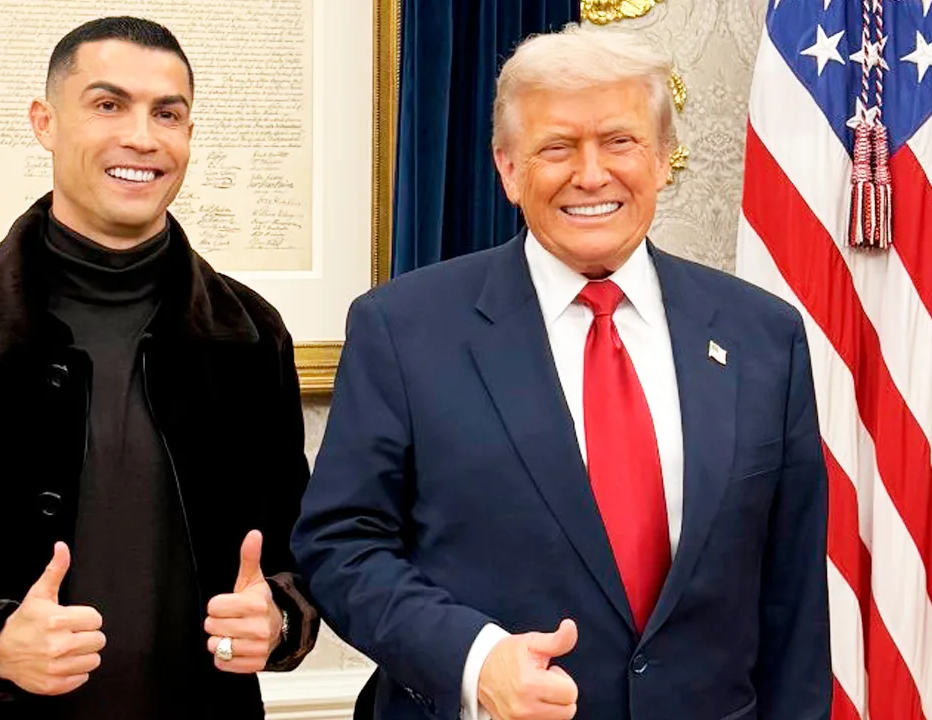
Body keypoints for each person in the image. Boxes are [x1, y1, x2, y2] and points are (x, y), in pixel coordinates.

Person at [292, 23, 830, 720]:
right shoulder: (403, 329)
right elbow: (341, 544)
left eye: (620, 141)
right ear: (508, 169)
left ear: (664, 158)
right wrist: (473, 659)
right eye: (556, 147)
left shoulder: (763, 336)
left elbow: (792, 598)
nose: (591, 174)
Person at [0, 16, 318, 720]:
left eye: (169, 114)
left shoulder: (250, 337)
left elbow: (299, 554)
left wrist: (278, 619)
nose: (143, 137)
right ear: (45, 123)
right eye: (108, 105)